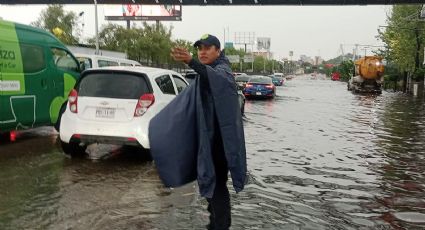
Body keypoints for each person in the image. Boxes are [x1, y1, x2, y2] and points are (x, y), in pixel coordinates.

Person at [171, 34, 247, 230]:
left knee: (218, 185)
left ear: (217, 51)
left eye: (207, 48)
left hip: (220, 144)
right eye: (199, 49)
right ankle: (214, 223)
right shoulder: (210, 70)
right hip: (209, 139)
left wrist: (190, 61)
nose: (202, 52)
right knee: (210, 182)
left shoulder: (223, 71)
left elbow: (214, 79)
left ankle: (220, 225)